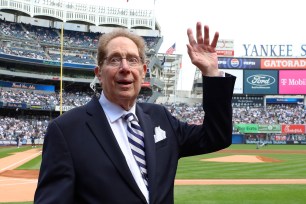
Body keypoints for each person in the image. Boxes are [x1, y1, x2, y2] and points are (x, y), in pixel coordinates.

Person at [34, 22, 236, 204]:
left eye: (132, 60)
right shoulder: (66, 130)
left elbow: (216, 136)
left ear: (143, 70)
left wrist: (211, 73)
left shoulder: (160, 117)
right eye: (114, 60)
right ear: (99, 73)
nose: (125, 67)